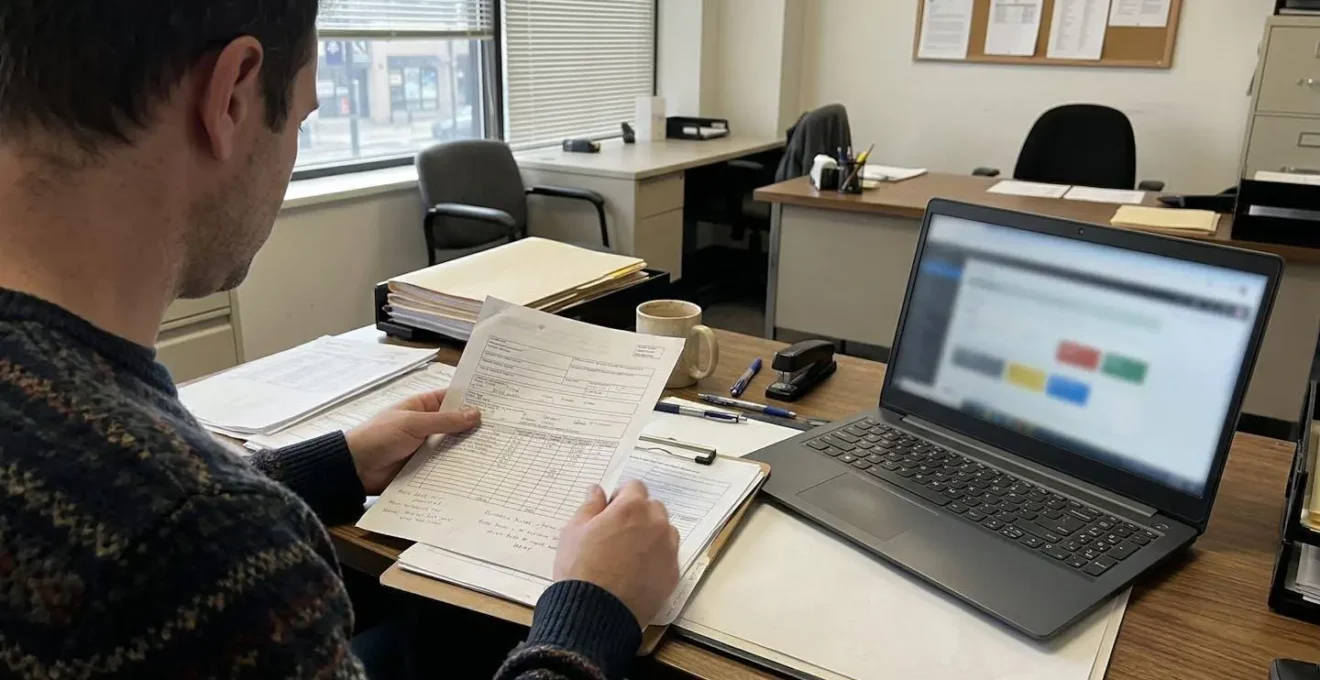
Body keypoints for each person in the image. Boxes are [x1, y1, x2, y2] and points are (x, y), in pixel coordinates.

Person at [0, 2, 680, 679]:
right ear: (232, 95)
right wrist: (592, 614)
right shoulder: (209, 548)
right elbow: (177, 524)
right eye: (301, 117)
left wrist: (332, 464)